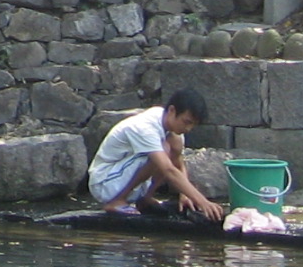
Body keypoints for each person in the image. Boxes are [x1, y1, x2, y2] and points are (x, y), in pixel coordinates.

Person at [88, 88, 222, 220]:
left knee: (173, 146)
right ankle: (117, 201)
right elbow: (169, 170)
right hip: (104, 183)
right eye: (186, 122)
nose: (188, 129)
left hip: (123, 179)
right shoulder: (145, 127)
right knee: (163, 150)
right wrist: (202, 201)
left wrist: (184, 195)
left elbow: (178, 163)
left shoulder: (171, 128)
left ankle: (145, 199)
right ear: (172, 111)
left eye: (192, 125)